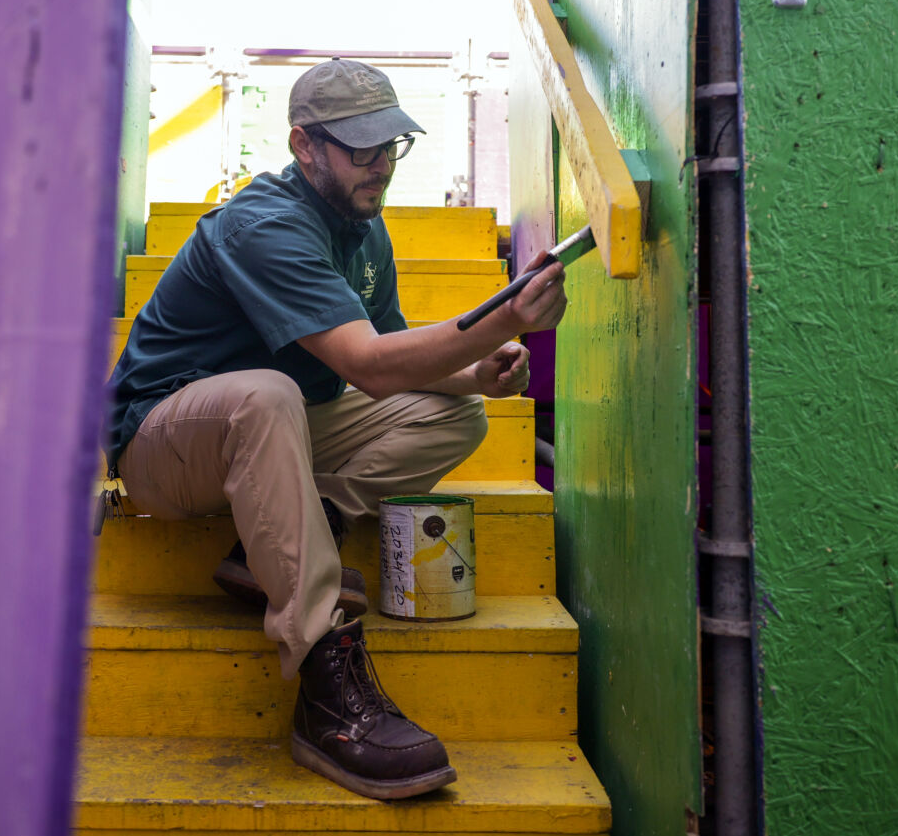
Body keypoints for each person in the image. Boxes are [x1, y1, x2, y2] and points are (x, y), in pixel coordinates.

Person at [106, 57, 568, 800]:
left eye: (391, 146)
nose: (381, 166)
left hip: (277, 427)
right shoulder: (263, 224)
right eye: (362, 148)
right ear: (303, 145)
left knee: (457, 412)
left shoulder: (362, 224)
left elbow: (390, 358)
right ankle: (323, 678)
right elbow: (371, 365)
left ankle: (301, 527)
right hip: (165, 441)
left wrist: (475, 372)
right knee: (267, 394)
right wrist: (501, 321)